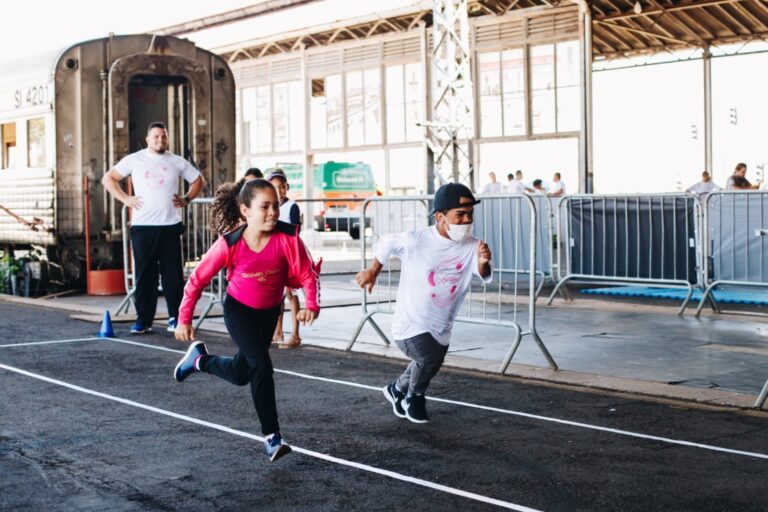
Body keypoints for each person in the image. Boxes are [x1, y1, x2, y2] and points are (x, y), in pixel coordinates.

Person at [173, 178, 321, 462]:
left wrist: (312, 304)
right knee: (262, 366)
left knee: (243, 373)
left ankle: (199, 361)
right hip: (239, 311)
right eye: (264, 207)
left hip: (268, 313)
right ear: (245, 210)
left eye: (275, 206)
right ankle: (272, 437)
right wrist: (184, 318)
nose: (273, 213)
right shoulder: (229, 244)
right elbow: (197, 279)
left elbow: (306, 274)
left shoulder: (288, 239)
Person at [355, 183, 492, 424]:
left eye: (470, 214)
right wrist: (374, 270)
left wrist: (482, 261)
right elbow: (386, 243)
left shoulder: (472, 245)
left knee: (430, 360)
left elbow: (483, 273)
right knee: (429, 360)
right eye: (459, 215)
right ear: (440, 217)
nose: (466, 220)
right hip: (410, 322)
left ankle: (396, 389)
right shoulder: (416, 240)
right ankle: (413, 397)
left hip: (441, 324)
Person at [102, 121, 204, 334]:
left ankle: (176, 318)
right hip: (143, 227)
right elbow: (109, 179)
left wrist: (186, 199)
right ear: (148, 139)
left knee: (173, 276)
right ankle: (143, 320)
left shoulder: (176, 161)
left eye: (163, 136)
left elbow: (197, 181)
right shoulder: (134, 160)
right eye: (156, 136)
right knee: (144, 275)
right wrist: (125, 199)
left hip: (170, 226)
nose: (160, 140)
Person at [267, 169, 303, 349]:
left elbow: (296, 231)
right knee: (277, 295)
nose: (279, 190)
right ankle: (278, 331)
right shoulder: (269, 207)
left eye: (282, 187)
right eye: (275, 187)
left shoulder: (291, 207)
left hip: (290, 255)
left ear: (287, 187)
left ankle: (295, 334)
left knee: (291, 293)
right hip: (275, 255)